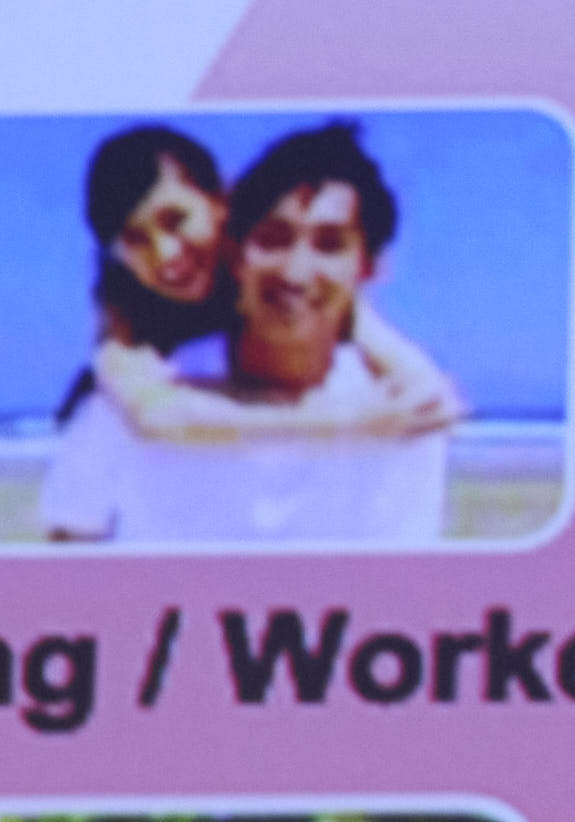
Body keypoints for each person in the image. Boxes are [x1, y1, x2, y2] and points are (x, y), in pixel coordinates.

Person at [38, 121, 465, 547]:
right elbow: (153, 414)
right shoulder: (126, 321)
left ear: (222, 203)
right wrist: (347, 423)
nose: (166, 254)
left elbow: (422, 389)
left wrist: (419, 399)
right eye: (135, 240)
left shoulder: (326, 297)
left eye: (175, 220)